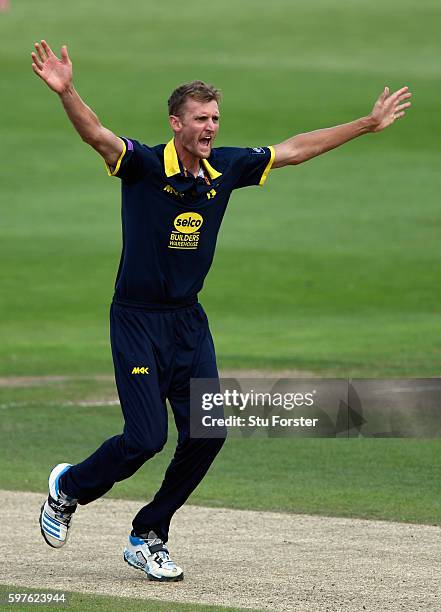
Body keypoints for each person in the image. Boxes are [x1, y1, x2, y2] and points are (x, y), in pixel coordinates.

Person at [31, 39, 411, 582]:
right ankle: (67, 489)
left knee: (208, 433)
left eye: (215, 118)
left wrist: (365, 125)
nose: (211, 127)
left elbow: (294, 149)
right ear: (175, 123)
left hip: (187, 321)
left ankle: (149, 534)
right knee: (144, 439)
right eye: (201, 119)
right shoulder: (141, 164)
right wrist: (68, 92)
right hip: (137, 319)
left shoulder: (225, 169)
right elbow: (96, 133)